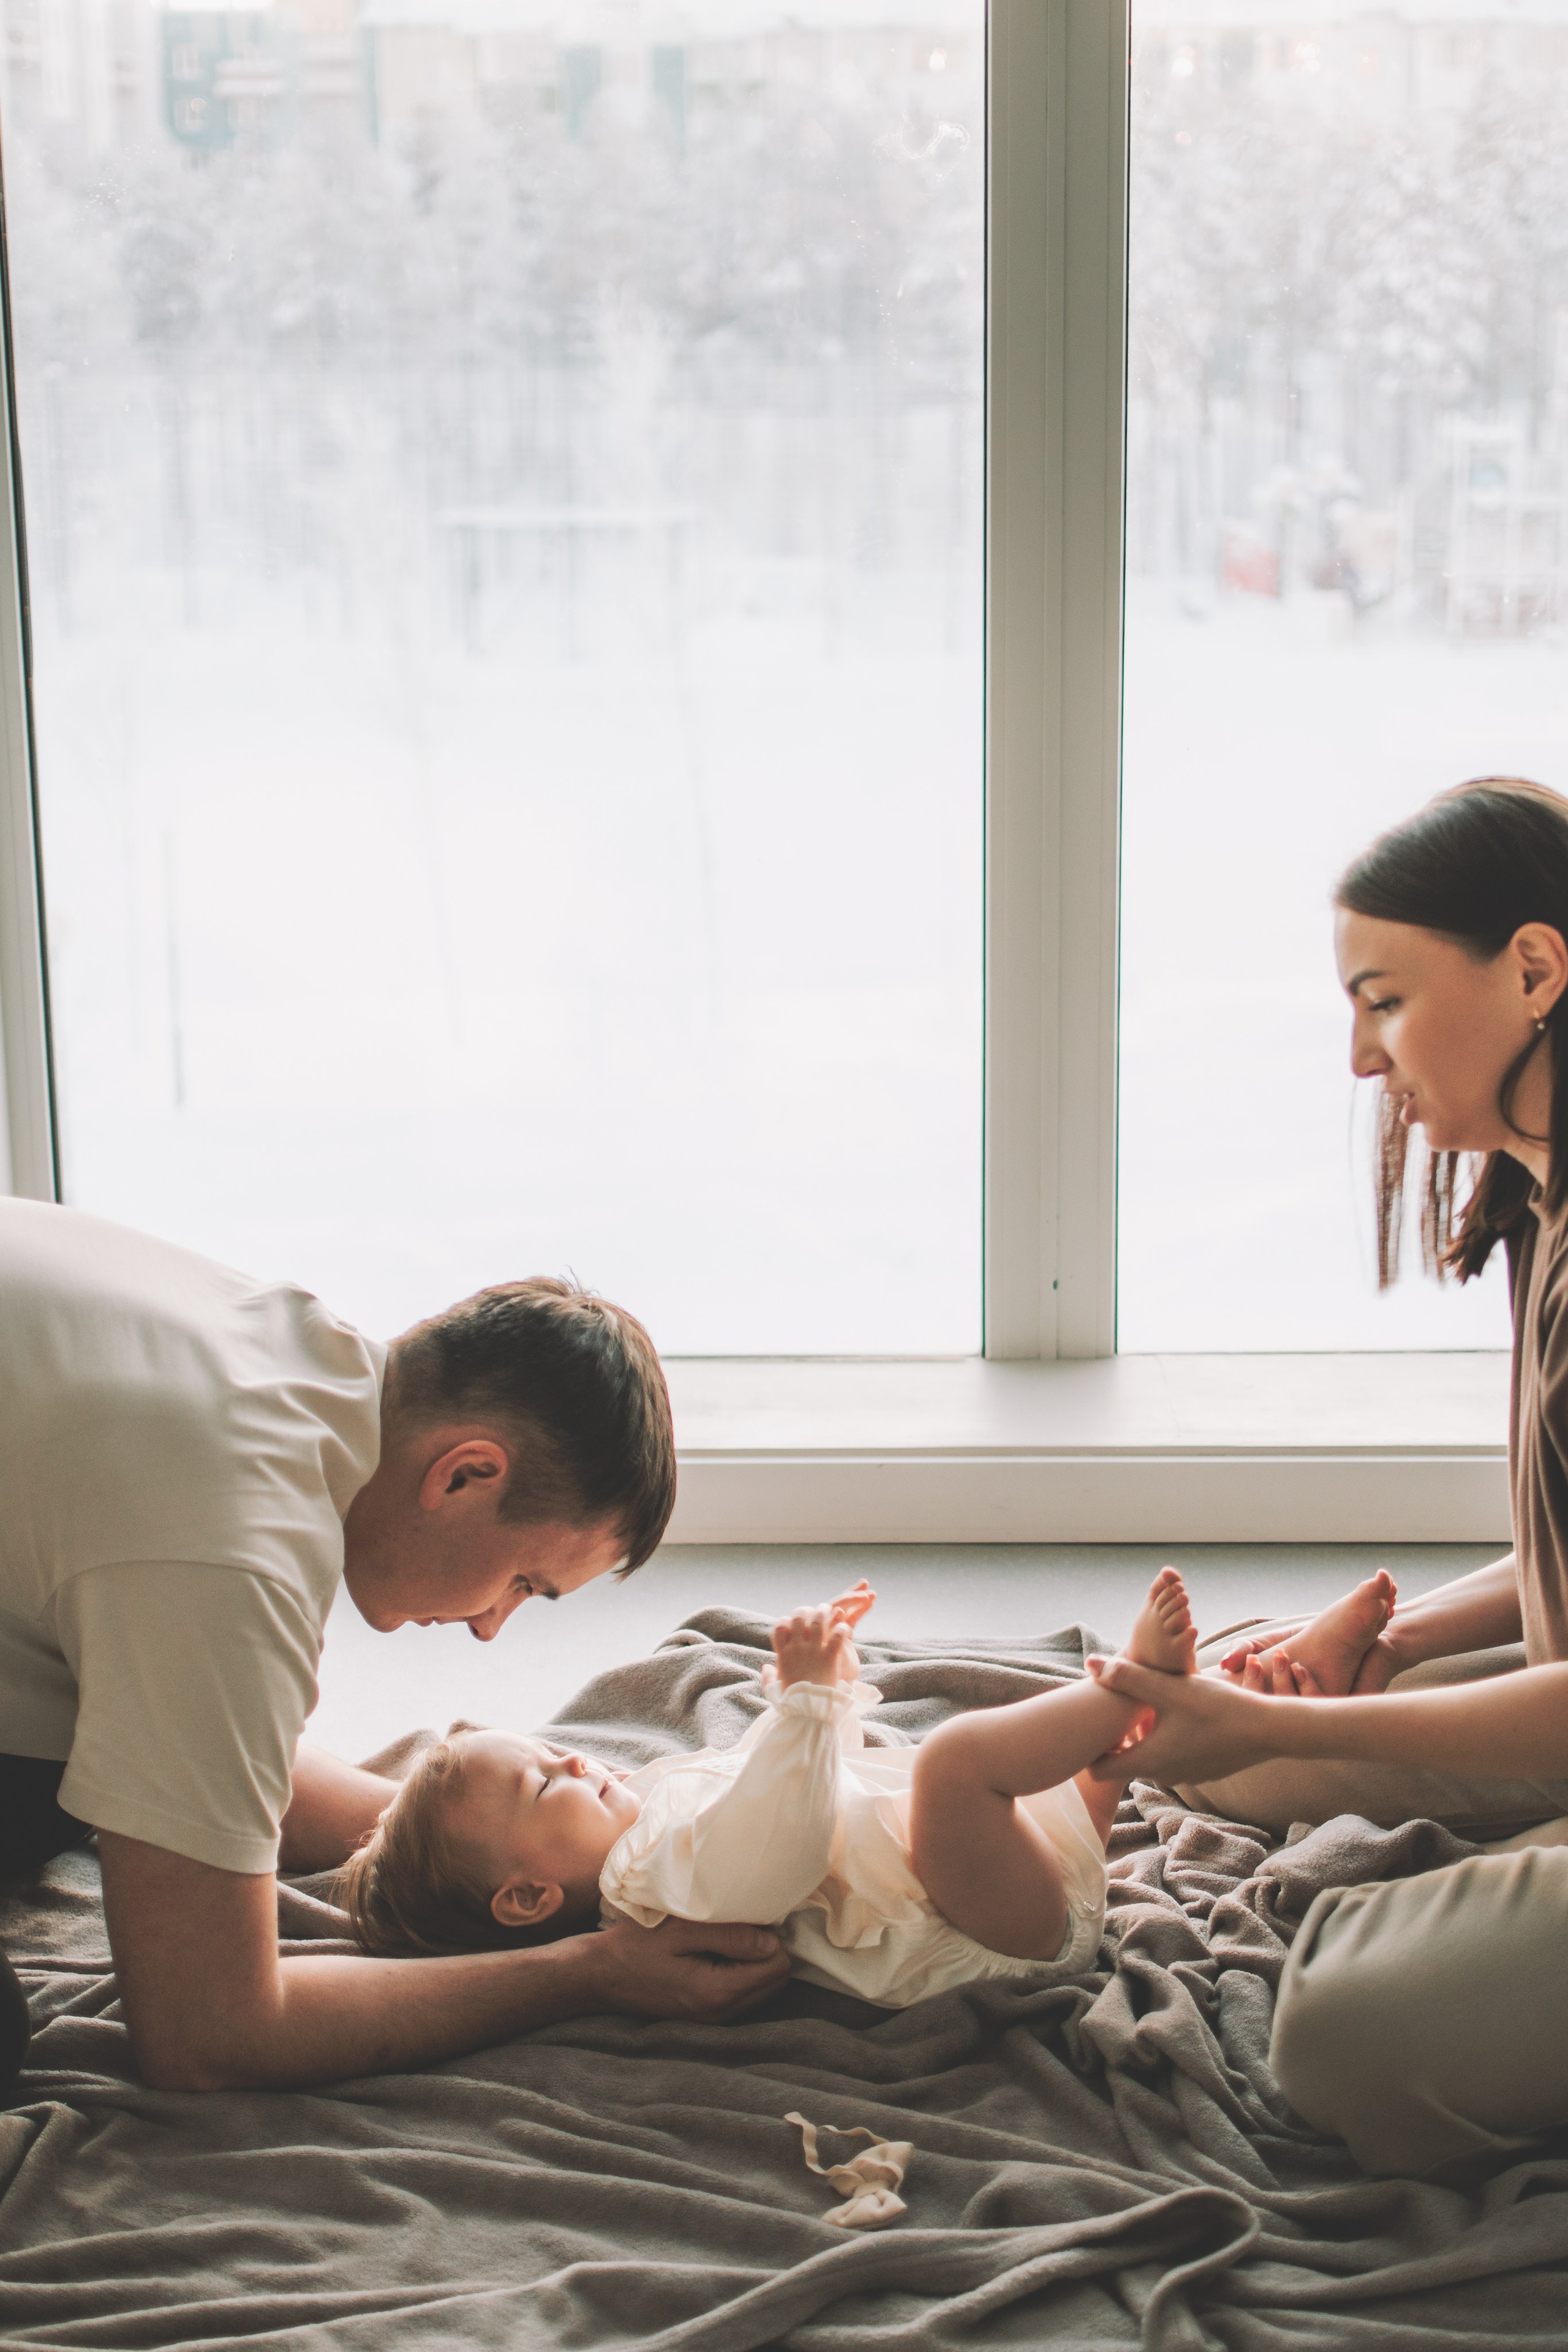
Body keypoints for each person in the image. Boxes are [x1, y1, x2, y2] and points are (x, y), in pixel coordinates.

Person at [0, 1201, 787, 2101]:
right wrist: (591, 1969)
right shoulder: (231, 1550)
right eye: (525, 1581)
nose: (494, 1624)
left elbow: (191, 1738)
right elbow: (208, 2035)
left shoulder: (285, 1353)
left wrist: (463, 1841)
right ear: (464, 1475)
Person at [1087, 775, 1568, 2176]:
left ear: (1534, 967)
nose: (1362, 1061)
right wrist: (1393, 1644)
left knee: (1341, 2038)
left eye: (1384, 1001)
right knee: (1259, 1743)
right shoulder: (1540, 1197)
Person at [338, 1568, 1204, 2002]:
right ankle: (1131, 1688)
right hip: (983, 1929)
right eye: (541, 1785)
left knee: (1023, 1773)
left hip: (1008, 1882)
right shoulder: (646, 1882)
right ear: (527, 1897)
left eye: (548, 1750)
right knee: (956, 1767)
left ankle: (1136, 1745)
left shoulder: (650, 1821)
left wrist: (811, 1696)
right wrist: (808, 1706)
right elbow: (774, 1846)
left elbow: (773, 1778)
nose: (573, 1759)